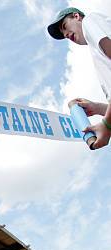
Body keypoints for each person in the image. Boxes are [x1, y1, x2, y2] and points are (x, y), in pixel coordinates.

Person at [47, 8, 111, 149]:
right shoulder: (98, 52)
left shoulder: (90, 21)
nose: (67, 35)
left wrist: (107, 124)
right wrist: (97, 108)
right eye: (64, 35)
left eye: (65, 27)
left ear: (77, 16)